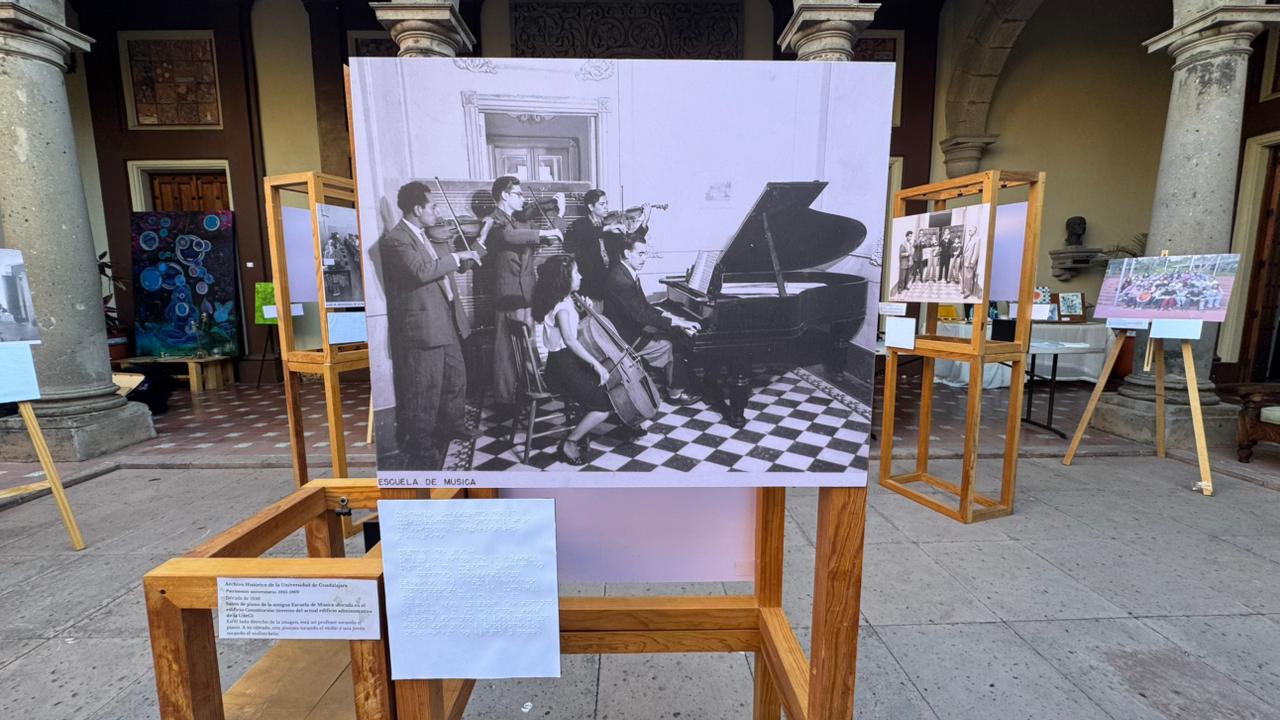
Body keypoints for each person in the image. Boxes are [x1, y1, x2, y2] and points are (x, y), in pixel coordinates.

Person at [378, 181, 484, 467]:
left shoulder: (425, 236)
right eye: (433, 207)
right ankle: (421, 446)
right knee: (425, 388)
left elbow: (440, 268)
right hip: (423, 326)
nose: (438, 212)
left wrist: (469, 251)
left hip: (445, 318)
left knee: (455, 377)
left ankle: (454, 426)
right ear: (417, 209)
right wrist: (457, 256)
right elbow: (421, 271)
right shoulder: (396, 240)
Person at [481, 175, 563, 413]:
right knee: (505, 350)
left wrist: (558, 215)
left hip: (526, 292)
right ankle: (504, 400)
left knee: (526, 345)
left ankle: (529, 390)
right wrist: (543, 233)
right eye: (518, 194)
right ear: (504, 195)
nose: (523, 199)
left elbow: (550, 238)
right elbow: (508, 237)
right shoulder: (493, 221)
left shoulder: (518, 222)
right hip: (508, 294)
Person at [530, 255, 613, 465]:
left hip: (560, 363)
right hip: (563, 368)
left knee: (601, 388)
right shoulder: (563, 307)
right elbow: (570, 340)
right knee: (602, 407)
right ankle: (570, 441)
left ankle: (582, 427)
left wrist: (582, 310)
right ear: (564, 279)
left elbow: (572, 332)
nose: (581, 276)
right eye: (576, 273)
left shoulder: (564, 301)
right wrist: (596, 365)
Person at [604, 233, 701, 406]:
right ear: (627, 253)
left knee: (673, 332)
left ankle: (676, 380)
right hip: (626, 338)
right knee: (671, 343)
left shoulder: (625, 273)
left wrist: (669, 316)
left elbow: (643, 307)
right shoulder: (621, 280)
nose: (645, 258)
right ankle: (676, 393)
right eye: (641, 254)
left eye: (645, 254)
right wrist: (678, 321)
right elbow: (641, 315)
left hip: (629, 329)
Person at [566, 189, 613, 309]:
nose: (606, 207)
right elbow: (585, 235)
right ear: (591, 207)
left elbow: (628, 245)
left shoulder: (609, 226)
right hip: (590, 286)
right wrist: (607, 229)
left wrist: (643, 223)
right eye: (602, 204)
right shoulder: (580, 224)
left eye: (607, 203)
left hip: (608, 285)